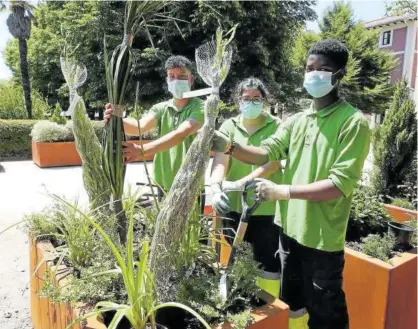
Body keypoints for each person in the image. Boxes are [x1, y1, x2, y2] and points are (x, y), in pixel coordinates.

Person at [211, 39, 371, 329]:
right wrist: (229, 146)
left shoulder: (352, 122)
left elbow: (339, 184)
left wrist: (282, 191)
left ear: (340, 75)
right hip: (289, 232)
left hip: (321, 238)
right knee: (293, 306)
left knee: (326, 314)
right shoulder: (297, 121)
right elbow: (266, 152)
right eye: (310, 68)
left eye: (324, 69)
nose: (315, 74)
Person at [209, 78, 282, 298]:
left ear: (264, 100)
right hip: (233, 206)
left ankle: (268, 306)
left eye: (256, 99)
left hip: (265, 206)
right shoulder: (229, 126)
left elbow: (272, 163)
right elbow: (221, 161)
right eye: (246, 98)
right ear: (238, 101)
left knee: (266, 261)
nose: (250, 102)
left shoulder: (277, 126)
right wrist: (215, 186)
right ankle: (241, 301)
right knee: (238, 257)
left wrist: (243, 182)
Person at [104, 55, 204, 207]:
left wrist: (142, 150)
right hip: (163, 180)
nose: (176, 80)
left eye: (182, 76)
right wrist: (116, 116)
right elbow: (139, 127)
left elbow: (181, 133)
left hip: (190, 180)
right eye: (172, 76)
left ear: (191, 80)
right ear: (167, 80)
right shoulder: (161, 108)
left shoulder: (201, 107)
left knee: (191, 230)